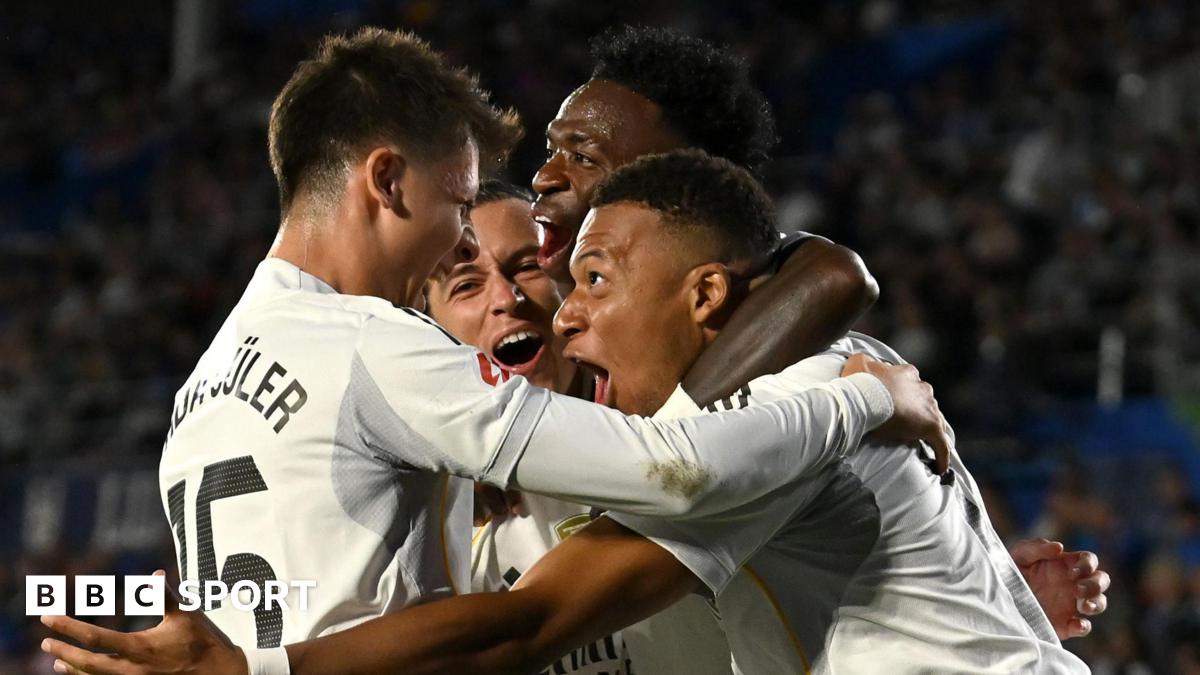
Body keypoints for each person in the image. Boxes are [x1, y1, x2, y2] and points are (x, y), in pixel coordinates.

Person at [37, 26, 951, 675]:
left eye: (535, 268)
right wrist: (871, 395)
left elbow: (542, 603)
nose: (462, 251)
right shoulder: (386, 365)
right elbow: (654, 489)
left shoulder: (200, 391)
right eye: (459, 220)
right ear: (387, 181)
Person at [425, 179, 632, 674]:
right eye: (467, 285)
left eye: (527, 266)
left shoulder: (671, 423)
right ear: (430, 329)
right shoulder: (435, 512)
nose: (507, 297)